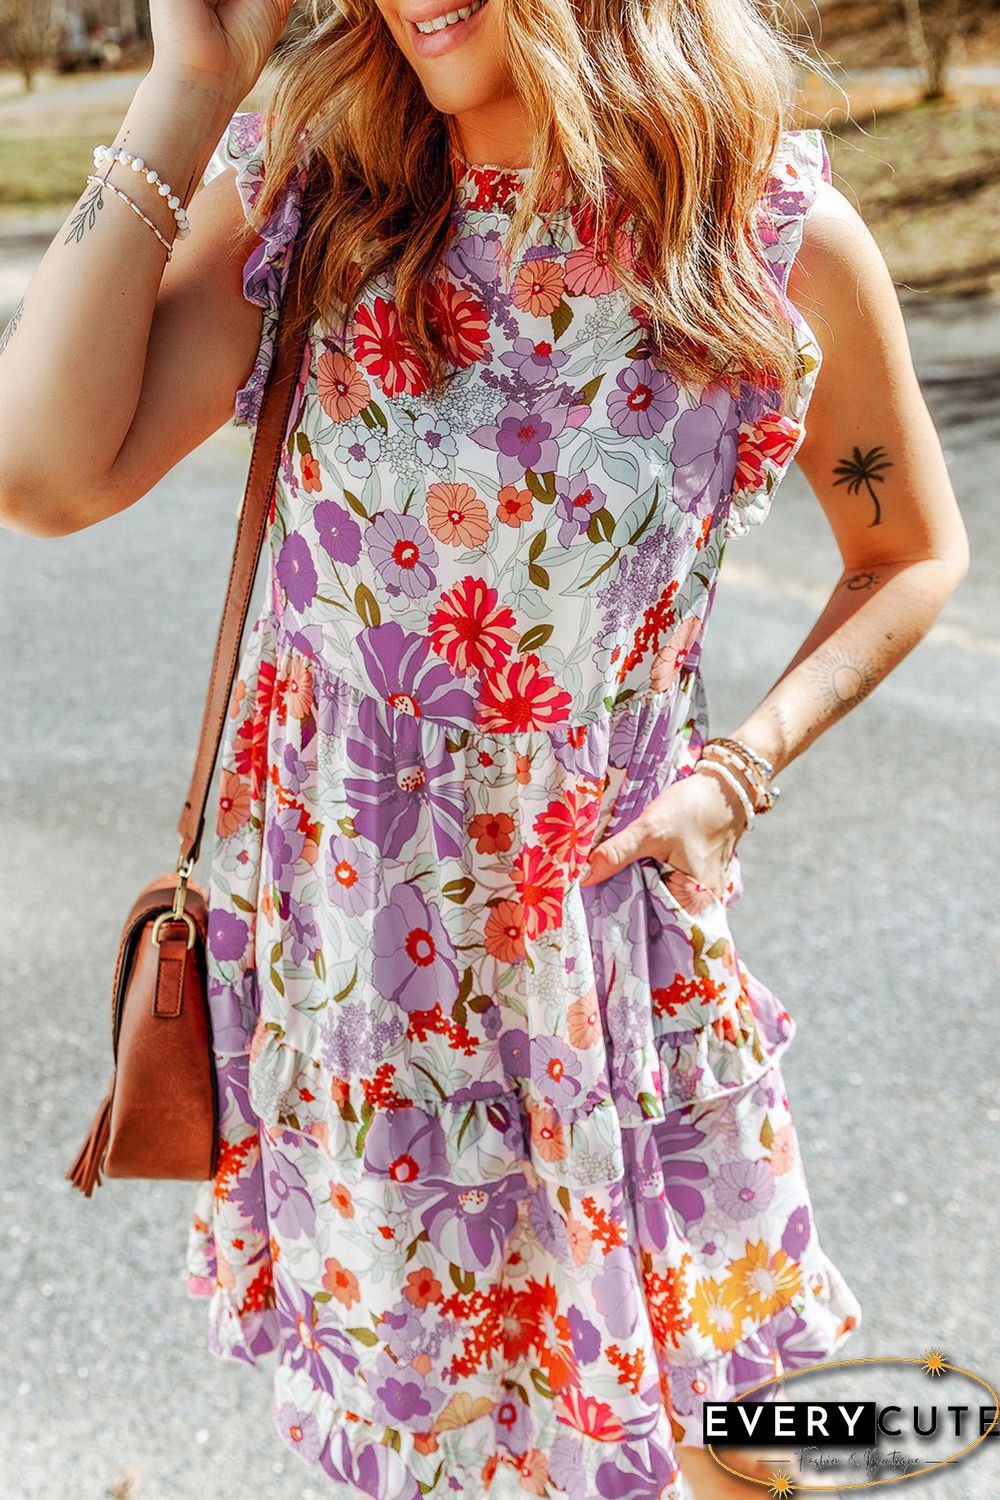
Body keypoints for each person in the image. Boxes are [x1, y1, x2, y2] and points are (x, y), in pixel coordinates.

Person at [0, 0, 969, 1496]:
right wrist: (189, 79)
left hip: (607, 978)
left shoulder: (769, 240)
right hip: (362, 998)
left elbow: (907, 550)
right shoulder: (322, 202)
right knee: (451, 1449)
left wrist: (742, 768)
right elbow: (40, 472)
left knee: (735, 1435)